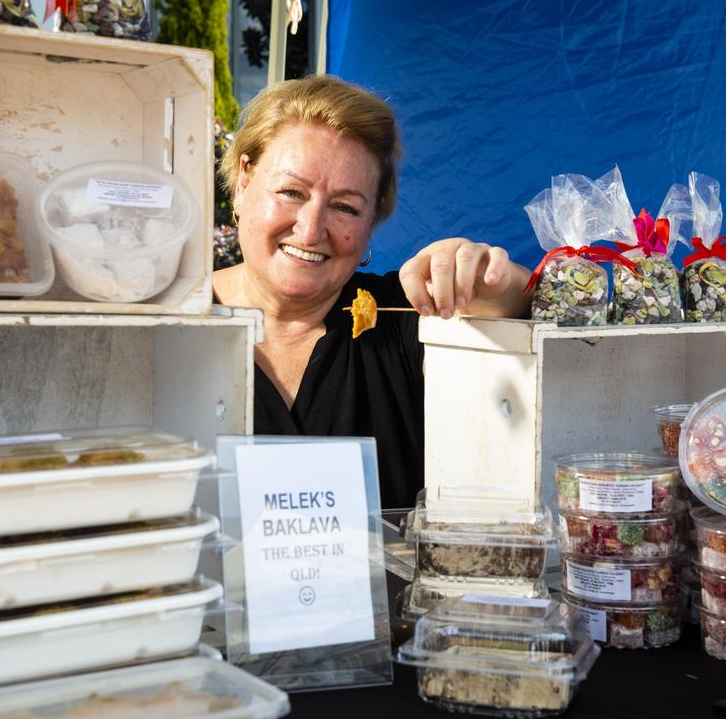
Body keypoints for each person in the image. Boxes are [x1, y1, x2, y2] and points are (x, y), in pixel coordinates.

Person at [214, 76, 531, 507]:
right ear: (243, 183)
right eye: (290, 192)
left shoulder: (397, 315)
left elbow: (514, 310)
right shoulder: (168, 320)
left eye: (345, 207)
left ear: (371, 224)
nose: (310, 230)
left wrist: (486, 277)